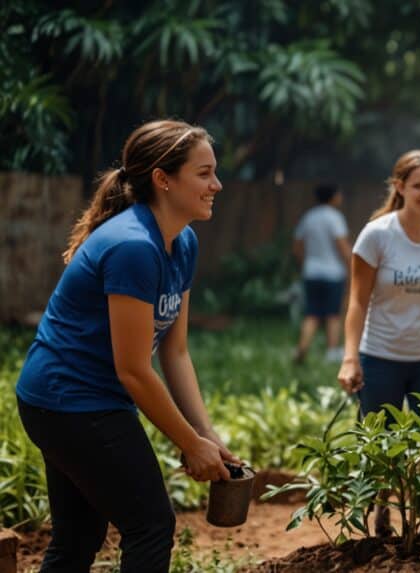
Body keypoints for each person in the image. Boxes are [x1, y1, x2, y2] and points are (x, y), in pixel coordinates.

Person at [15, 120, 240, 572]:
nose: (216, 184)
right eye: (203, 173)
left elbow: (174, 351)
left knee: (78, 538)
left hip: (70, 399)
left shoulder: (183, 242)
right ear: (163, 179)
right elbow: (134, 370)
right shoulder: (133, 247)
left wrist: (205, 434)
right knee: (151, 524)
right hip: (70, 401)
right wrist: (188, 444)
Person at [336, 150, 420, 533]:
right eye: (418, 186)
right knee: (379, 446)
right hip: (380, 357)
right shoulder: (377, 235)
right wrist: (349, 358)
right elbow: (357, 302)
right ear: (400, 187)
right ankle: (380, 516)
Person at [292, 183, 353, 363]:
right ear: (333, 197)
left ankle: (302, 348)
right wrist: (352, 266)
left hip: (311, 272)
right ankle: (332, 351)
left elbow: (296, 246)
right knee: (333, 314)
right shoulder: (335, 218)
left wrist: (306, 263)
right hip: (333, 273)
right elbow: (342, 246)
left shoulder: (308, 217)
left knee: (312, 313)